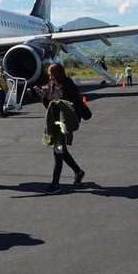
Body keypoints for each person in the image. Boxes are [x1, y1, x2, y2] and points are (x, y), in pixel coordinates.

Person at [35, 63, 85, 193]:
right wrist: (44, 98)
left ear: (58, 74)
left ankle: (55, 184)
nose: (50, 77)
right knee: (62, 151)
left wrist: (60, 98)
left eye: (51, 74)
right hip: (55, 122)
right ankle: (78, 171)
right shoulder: (52, 85)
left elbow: (74, 103)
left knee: (58, 152)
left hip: (64, 122)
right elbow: (50, 106)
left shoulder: (67, 84)